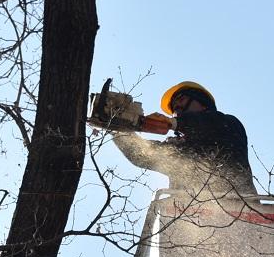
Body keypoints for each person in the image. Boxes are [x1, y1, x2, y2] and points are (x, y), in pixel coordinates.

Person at [107, 80, 258, 196]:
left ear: (203, 104)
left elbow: (204, 124)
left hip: (241, 206)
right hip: (187, 215)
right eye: (173, 106)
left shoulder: (227, 124)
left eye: (181, 99)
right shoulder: (179, 148)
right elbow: (141, 154)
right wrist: (116, 128)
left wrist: (174, 123)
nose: (176, 107)